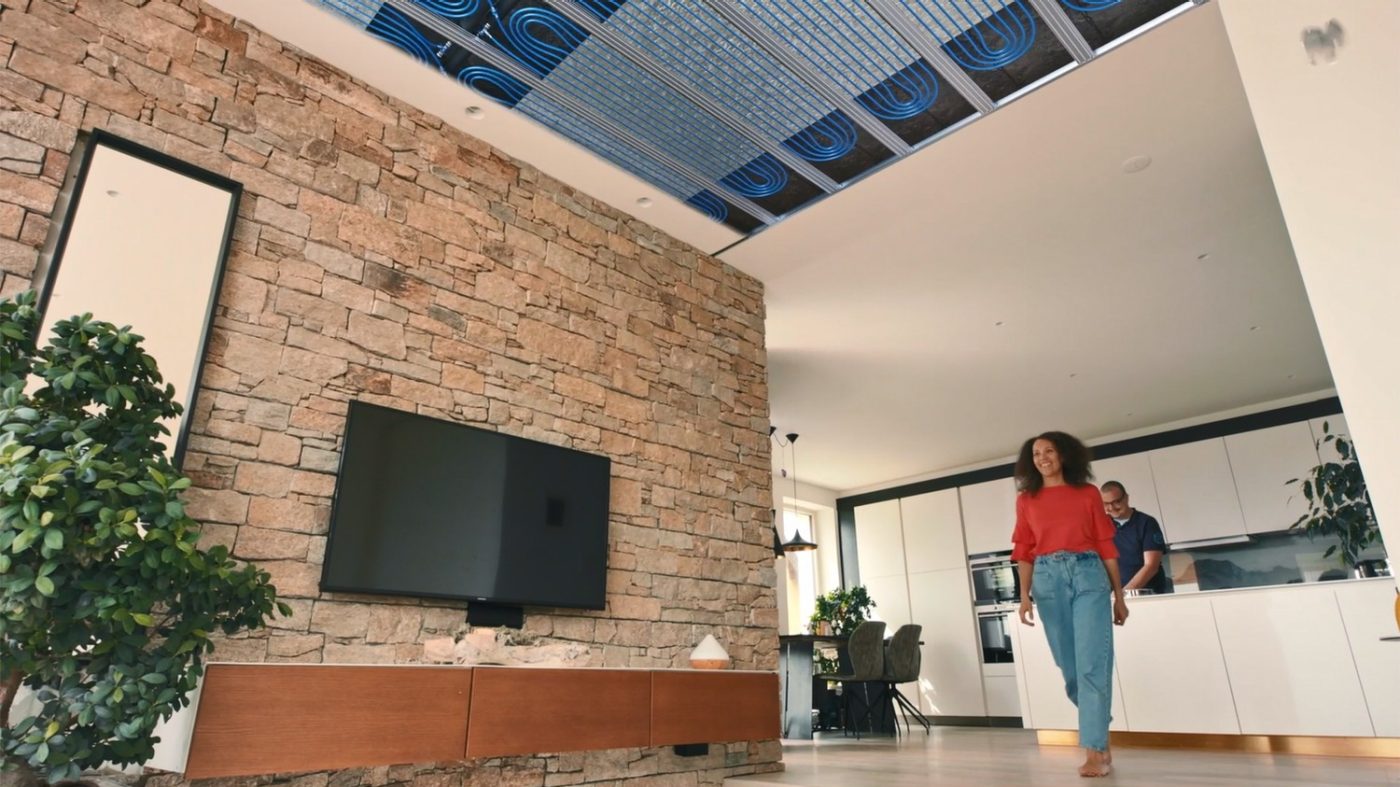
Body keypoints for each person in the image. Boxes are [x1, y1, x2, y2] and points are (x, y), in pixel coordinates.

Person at [1012, 432, 1128, 779]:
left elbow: (1105, 543)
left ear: (1064, 456)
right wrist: (1023, 594)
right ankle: (1100, 731)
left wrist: (1119, 596)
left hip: (1088, 573)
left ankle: (1094, 750)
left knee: (1093, 662)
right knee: (1071, 668)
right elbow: (1024, 548)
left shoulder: (1087, 493)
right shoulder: (1026, 499)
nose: (1043, 457)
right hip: (1047, 580)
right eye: (1036, 453)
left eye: (1049, 451)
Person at [1100, 481, 1168, 594]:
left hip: (1147, 594)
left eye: (1116, 502)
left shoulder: (1146, 523)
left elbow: (1151, 566)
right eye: (1106, 504)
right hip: (1115, 596)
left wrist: (1125, 593)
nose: (1111, 507)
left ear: (1126, 498)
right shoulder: (1101, 526)